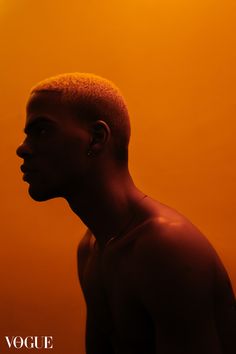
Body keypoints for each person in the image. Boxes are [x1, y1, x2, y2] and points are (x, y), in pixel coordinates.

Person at [16, 73, 236, 354]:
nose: (22, 148)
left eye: (42, 130)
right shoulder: (92, 247)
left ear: (96, 138)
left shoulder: (166, 248)